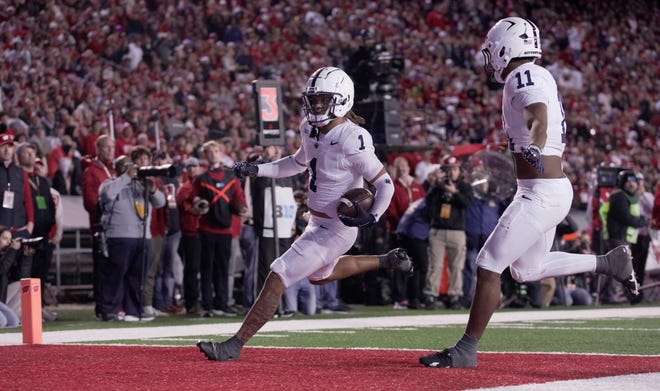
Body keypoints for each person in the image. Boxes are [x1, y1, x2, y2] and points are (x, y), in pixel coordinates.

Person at [419, 17, 639, 368]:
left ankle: (465, 349)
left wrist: (535, 144)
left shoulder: (525, 76)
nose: (489, 58)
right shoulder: (536, 74)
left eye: (492, 50)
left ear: (507, 47)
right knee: (526, 269)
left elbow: (539, 114)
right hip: (548, 188)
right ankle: (608, 262)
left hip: (540, 190)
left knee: (489, 264)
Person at [197, 66, 412, 361]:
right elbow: (297, 163)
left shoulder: (352, 138)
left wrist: (372, 217)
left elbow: (384, 184)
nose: (316, 105)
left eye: (323, 99)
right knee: (320, 276)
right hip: (316, 222)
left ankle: (233, 345)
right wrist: (256, 170)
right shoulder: (309, 128)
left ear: (342, 100)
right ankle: (385, 260)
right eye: (313, 99)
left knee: (278, 274)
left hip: (337, 226)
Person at [98, 146, 166, 322]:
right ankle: (110, 311)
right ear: (118, 168)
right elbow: (106, 195)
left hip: (143, 236)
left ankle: (134, 311)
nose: (130, 167)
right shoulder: (110, 183)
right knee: (115, 275)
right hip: (119, 235)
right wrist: (126, 177)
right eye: (125, 165)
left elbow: (160, 202)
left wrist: (152, 189)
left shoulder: (142, 185)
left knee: (138, 277)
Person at [193, 140, 248, 317]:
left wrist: (242, 207)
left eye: (216, 150)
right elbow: (194, 199)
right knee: (207, 268)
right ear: (205, 155)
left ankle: (222, 304)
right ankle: (208, 306)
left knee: (223, 269)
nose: (213, 154)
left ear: (221, 152)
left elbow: (239, 197)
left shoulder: (230, 176)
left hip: (225, 230)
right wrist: (197, 205)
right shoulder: (201, 178)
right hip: (206, 229)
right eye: (209, 151)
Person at [423, 157, 472, 310]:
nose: (451, 172)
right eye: (449, 169)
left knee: (456, 266)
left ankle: (454, 296)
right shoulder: (437, 187)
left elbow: (467, 204)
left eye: (454, 168)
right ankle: (431, 295)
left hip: (457, 231)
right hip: (438, 230)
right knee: (435, 265)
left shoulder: (465, 187)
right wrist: (434, 185)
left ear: (460, 171)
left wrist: (454, 192)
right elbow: (428, 204)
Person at [81, 135, 116, 320]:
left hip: (114, 227)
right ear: (99, 149)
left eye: (112, 147)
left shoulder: (111, 170)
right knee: (102, 269)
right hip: (100, 226)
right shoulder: (92, 172)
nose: (111, 151)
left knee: (111, 267)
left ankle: (111, 305)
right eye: (107, 147)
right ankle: (102, 308)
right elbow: (90, 202)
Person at [599, 170, 648, 304]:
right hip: (616, 237)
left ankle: (608, 295)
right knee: (619, 267)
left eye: (634, 181)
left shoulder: (627, 196)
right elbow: (627, 218)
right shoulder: (619, 197)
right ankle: (631, 296)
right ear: (622, 183)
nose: (632, 184)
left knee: (614, 268)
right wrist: (643, 221)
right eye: (629, 181)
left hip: (622, 237)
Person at [176, 156, 206, 315]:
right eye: (189, 167)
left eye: (194, 166)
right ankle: (191, 302)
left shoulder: (203, 184)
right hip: (191, 231)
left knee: (203, 268)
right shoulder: (185, 187)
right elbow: (183, 204)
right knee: (192, 268)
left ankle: (203, 300)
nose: (192, 169)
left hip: (204, 230)